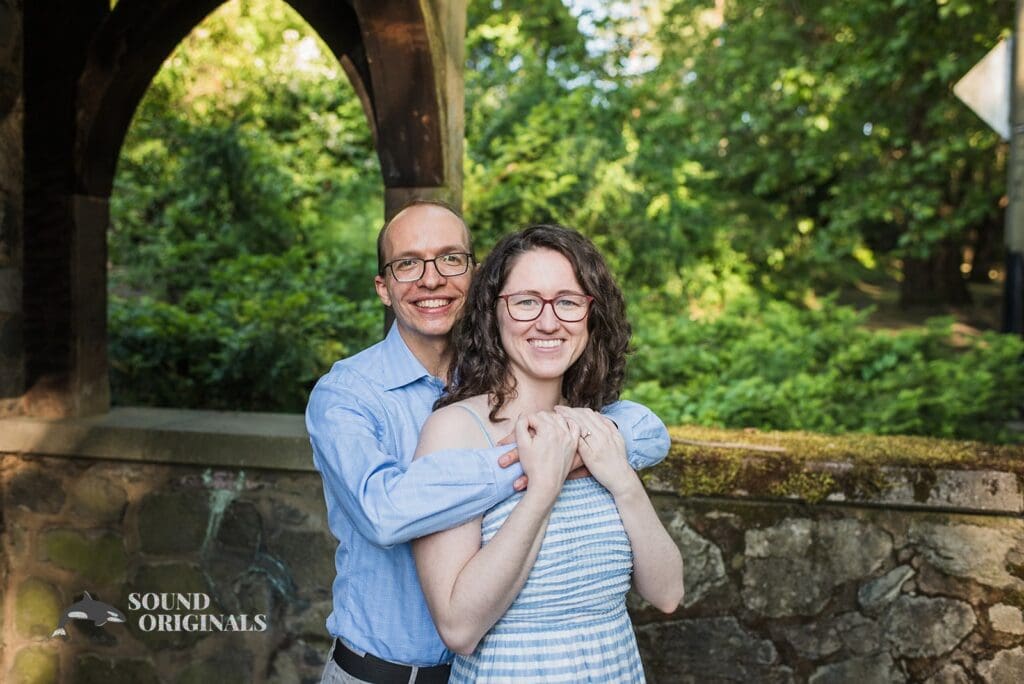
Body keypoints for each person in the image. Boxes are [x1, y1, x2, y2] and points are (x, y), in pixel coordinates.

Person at [306, 200, 671, 684]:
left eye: (450, 259)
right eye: (407, 263)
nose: (431, 279)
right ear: (383, 287)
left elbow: (645, 428)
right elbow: (383, 513)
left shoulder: (510, 371)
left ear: (476, 277)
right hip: (388, 674)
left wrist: (579, 444)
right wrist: (535, 462)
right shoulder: (348, 394)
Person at [412, 224, 685, 682]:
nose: (548, 322)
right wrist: (541, 491)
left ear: (592, 314)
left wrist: (622, 480)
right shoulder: (455, 431)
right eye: (526, 302)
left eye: (568, 302)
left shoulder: (597, 428)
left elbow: (668, 593)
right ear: (492, 313)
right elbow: (458, 628)